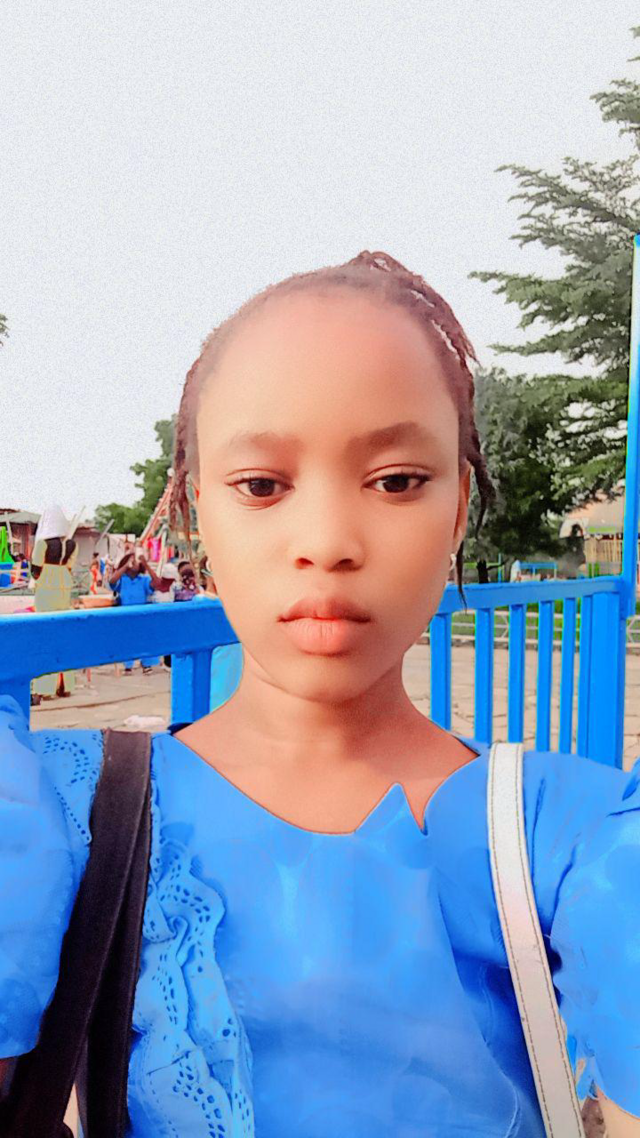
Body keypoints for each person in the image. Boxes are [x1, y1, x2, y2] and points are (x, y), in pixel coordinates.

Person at [0, 250, 638, 1137]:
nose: (328, 540)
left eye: (397, 482)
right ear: (197, 511)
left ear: (458, 507)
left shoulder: (568, 839)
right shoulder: (60, 813)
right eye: (262, 486)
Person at [30, 505, 79, 704]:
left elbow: (35, 568)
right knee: (62, 635)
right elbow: (69, 566)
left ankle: (45, 688)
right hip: (63, 586)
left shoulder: (43, 543)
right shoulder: (73, 545)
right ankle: (66, 685)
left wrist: (37, 579)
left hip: (46, 588)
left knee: (45, 635)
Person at [108, 551, 162, 674]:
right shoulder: (123, 579)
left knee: (144, 639)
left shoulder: (143, 579)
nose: (134, 563)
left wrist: (146, 564)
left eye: (136, 562)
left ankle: (146, 663)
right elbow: (112, 581)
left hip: (142, 615)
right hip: (126, 615)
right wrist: (125, 566)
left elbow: (157, 583)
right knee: (127, 639)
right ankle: (128, 665)